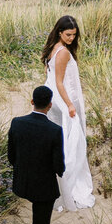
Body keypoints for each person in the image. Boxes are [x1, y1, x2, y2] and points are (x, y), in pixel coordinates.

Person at [6, 84, 66, 224]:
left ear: (32, 102)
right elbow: (59, 167)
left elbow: (11, 157)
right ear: (49, 106)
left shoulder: (17, 123)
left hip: (22, 184)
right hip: (43, 188)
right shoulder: (54, 131)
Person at [41, 14, 94, 210]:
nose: (72, 38)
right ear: (60, 32)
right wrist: (70, 105)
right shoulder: (62, 52)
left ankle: (59, 179)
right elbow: (59, 82)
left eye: (74, 35)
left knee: (64, 139)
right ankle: (69, 183)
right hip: (64, 98)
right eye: (68, 34)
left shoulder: (53, 47)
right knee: (73, 142)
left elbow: (50, 77)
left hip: (54, 97)